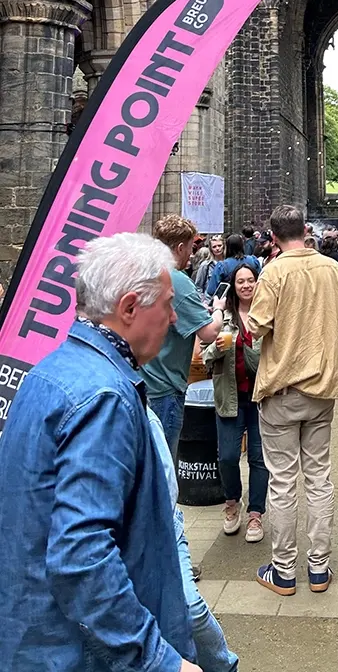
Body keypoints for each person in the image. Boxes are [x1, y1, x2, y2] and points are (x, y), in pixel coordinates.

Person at [0, 232, 202, 672]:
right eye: (167, 304)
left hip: (36, 637)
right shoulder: (103, 397)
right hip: (76, 652)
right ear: (129, 308)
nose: (173, 318)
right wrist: (159, 659)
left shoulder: (50, 371)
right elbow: (81, 555)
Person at [249, 204, 338, 596]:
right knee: (318, 477)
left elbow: (257, 326)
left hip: (282, 388)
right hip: (322, 389)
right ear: (305, 231)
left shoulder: (274, 272)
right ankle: (319, 568)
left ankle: (283, 570)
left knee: (282, 481)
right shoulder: (332, 269)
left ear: (274, 237)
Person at [148, 407, 239, 671]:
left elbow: (166, 496)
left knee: (189, 608)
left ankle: (224, 667)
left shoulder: (141, 417)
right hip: (106, 540)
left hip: (158, 527)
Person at [142, 215, 224, 458]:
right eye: (190, 247)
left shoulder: (142, 272)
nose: (191, 253)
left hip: (142, 382)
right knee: (163, 464)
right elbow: (209, 333)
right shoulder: (176, 280)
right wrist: (219, 310)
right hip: (165, 386)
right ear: (179, 247)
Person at [202, 263, 269, 544]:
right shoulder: (223, 317)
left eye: (250, 280)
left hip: (261, 398)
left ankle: (256, 513)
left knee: (259, 458)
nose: (246, 285)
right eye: (240, 281)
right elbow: (204, 356)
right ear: (233, 285)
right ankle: (232, 502)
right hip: (229, 396)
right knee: (227, 457)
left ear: (257, 283)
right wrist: (216, 349)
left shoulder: (266, 314)